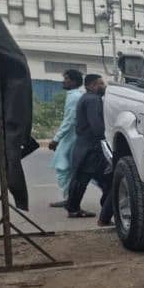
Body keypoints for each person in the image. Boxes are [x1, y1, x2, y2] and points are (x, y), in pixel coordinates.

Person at [66, 74, 113, 226]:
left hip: (83, 146)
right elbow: (97, 126)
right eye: (101, 84)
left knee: (82, 179)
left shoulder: (85, 98)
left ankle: (73, 208)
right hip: (92, 149)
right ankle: (104, 212)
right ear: (92, 85)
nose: (104, 86)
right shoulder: (93, 100)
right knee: (109, 181)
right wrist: (107, 138)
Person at [48, 70, 83, 208]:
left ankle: (69, 199)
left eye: (66, 79)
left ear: (74, 82)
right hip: (72, 137)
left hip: (71, 138)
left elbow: (70, 120)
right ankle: (69, 198)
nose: (63, 81)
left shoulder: (74, 97)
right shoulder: (74, 95)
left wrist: (56, 138)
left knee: (63, 168)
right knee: (68, 169)